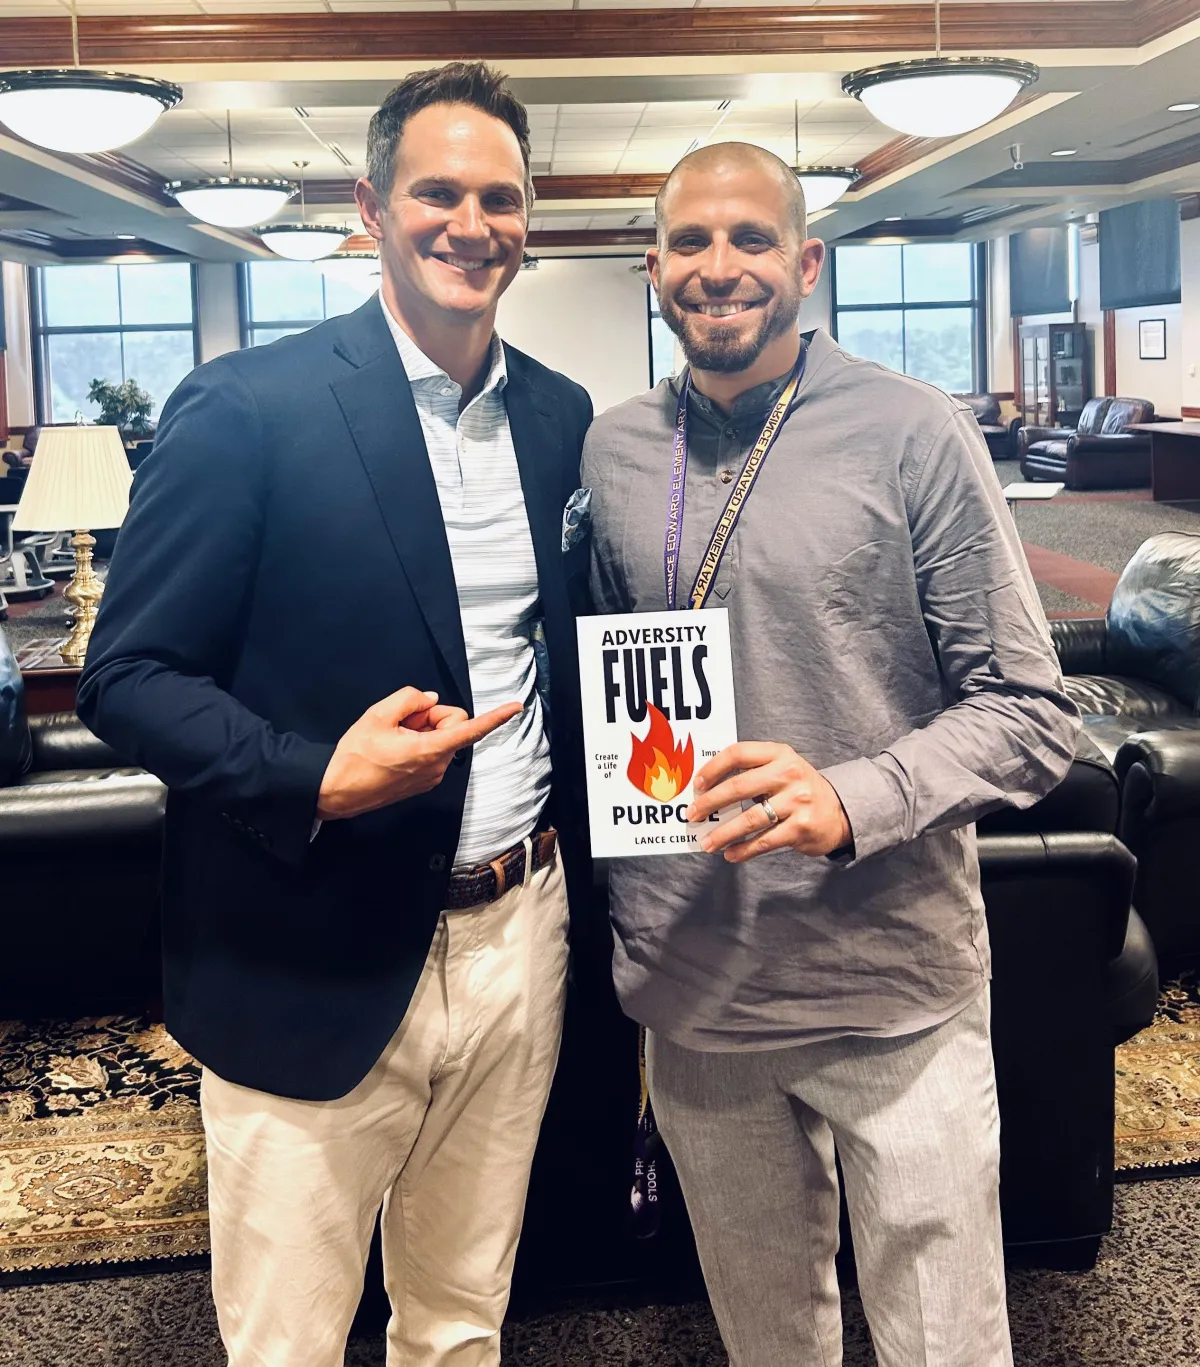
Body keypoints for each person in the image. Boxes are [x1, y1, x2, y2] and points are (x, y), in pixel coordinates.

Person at [77, 61, 593, 1367]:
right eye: (437, 193)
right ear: (371, 208)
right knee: (289, 1340)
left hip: (520, 930)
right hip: (306, 942)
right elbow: (126, 676)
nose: (471, 223)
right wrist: (312, 774)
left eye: (500, 198)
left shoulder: (559, 417)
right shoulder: (246, 409)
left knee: (462, 1318)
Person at [581, 142, 1079, 1367]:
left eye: (751, 238)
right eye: (690, 241)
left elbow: (1031, 710)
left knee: (944, 1343)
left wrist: (853, 795)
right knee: (768, 1340)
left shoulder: (913, 430)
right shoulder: (613, 449)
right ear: (653, 268)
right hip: (697, 994)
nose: (720, 266)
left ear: (805, 263)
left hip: (890, 988)